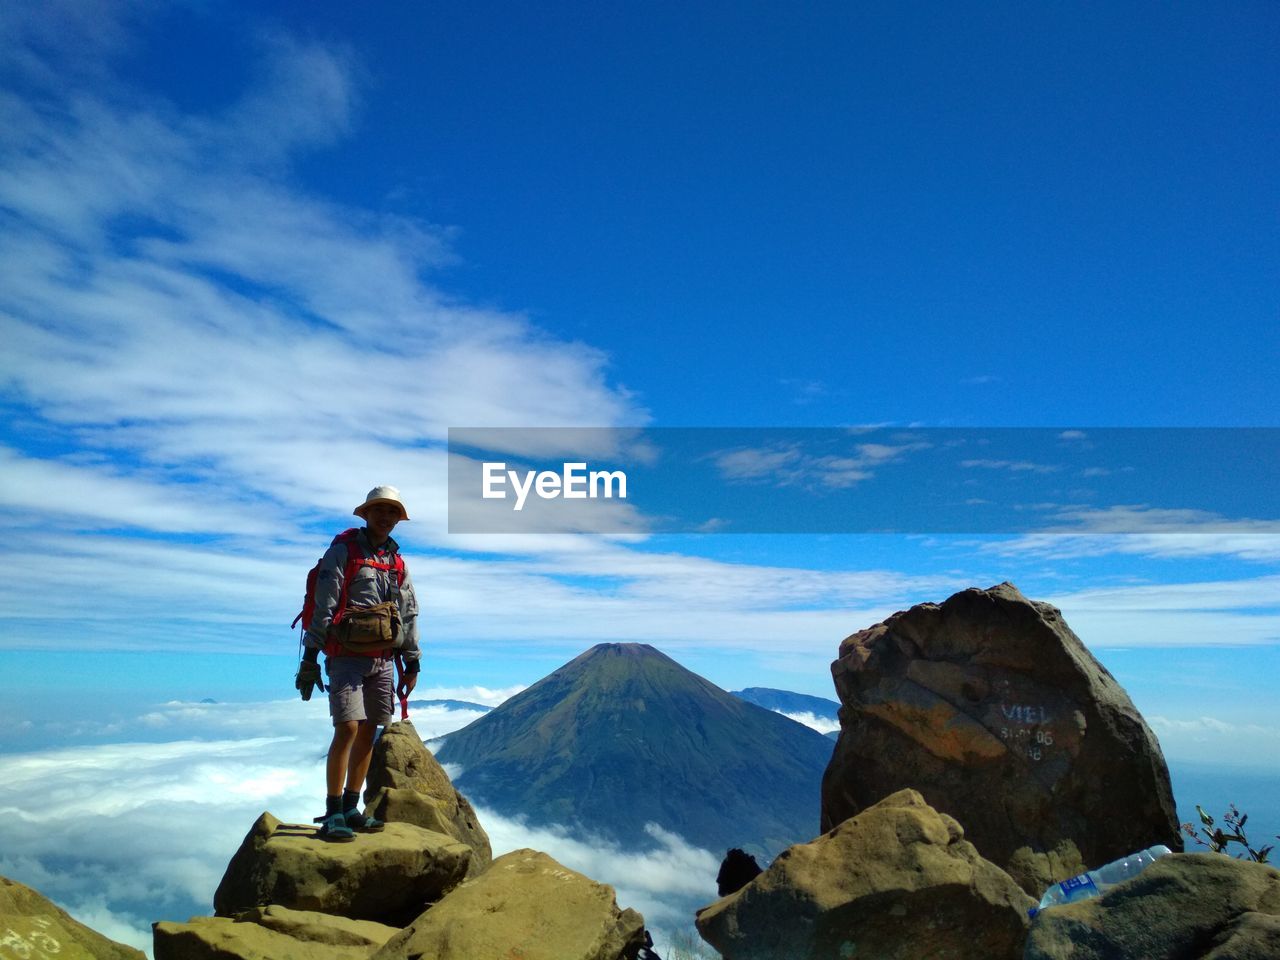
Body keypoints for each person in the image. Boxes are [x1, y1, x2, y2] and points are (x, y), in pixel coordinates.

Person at [294, 485, 421, 841]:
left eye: (393, 512)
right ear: (365, 514)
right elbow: (325, 605)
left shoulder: (397, 563)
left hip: (382, 660)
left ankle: (351, 807)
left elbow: (408, 614)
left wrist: (412, 662)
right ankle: (333, 809)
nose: (386, 517)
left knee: (370, 730)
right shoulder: (343, 553)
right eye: (379, 510)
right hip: (346, 657)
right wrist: (310, 658)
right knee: (348, 728)